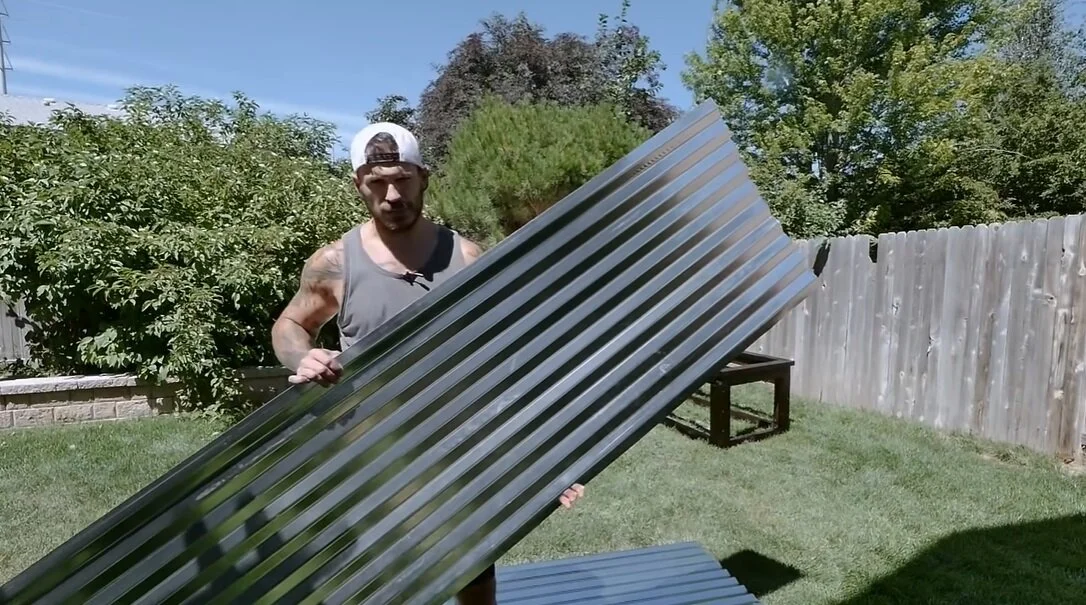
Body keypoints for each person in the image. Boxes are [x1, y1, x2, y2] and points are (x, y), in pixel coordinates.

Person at [270, 122, 585, 605]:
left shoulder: (466, 258)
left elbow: (504, 364)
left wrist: (541, 460)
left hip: (456, 448)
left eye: (403, 180)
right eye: (377, 183)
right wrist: (303, 355)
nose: (392, 195)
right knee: (380, 577)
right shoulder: (334, 263)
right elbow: (290, 325)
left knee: (471, 573)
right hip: (371, 453)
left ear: (424, 178)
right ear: (358, 184)